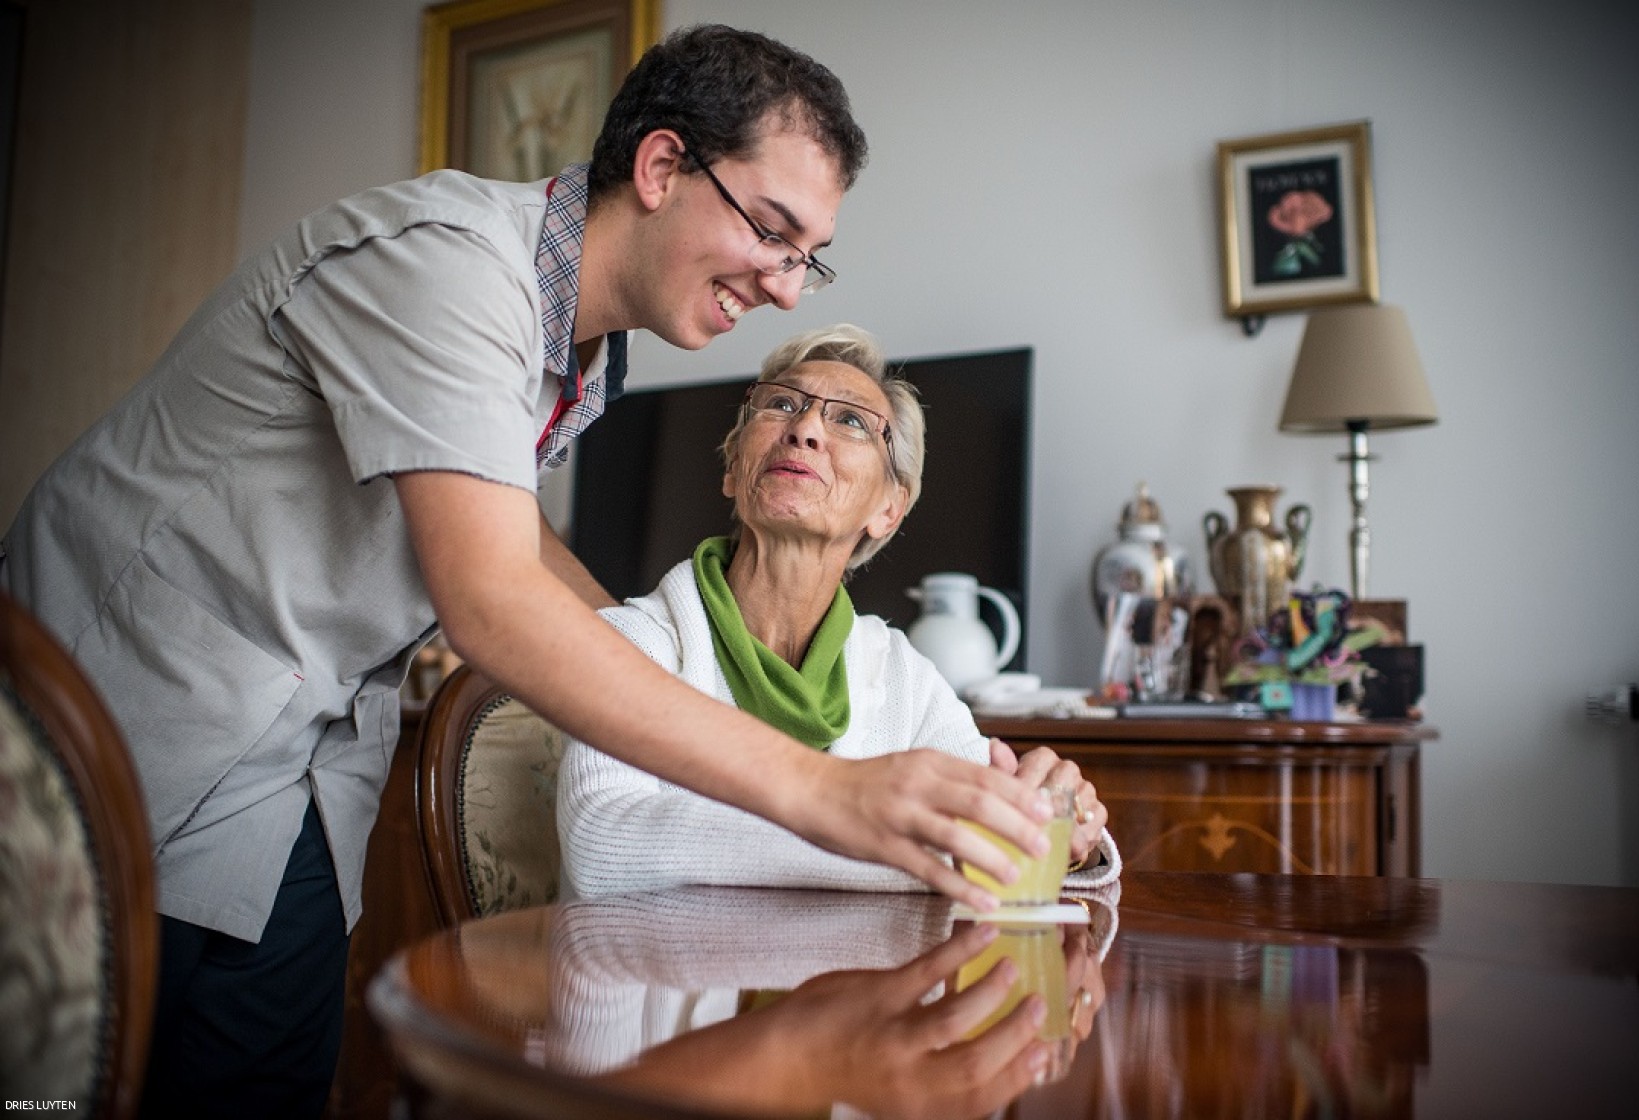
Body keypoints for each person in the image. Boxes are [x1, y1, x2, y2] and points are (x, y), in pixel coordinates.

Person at [0, 25, 1053, 1116]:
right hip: (120, 733)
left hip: (290, 781)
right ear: (659, 168)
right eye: (773, 233)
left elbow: (503, 526)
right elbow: (493, 598)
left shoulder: (584, 352)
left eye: (808, 256)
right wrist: (827, 790)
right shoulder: (449, 265)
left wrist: (643, 637)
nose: (788, 289)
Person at [558, 323, 1119, 898]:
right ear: (732, 471)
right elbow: (601, 846)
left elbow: (993, 833)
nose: (803, 429)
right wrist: (871, 831)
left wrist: (1064, 835)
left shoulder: (902, 673)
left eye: (849, 420)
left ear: (888, 509)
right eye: (780, 404)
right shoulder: (632, 643)